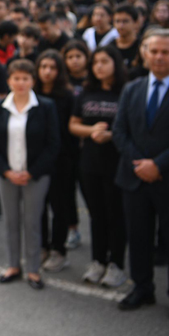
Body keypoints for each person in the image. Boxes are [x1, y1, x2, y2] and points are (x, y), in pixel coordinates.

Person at [0, 59, 60, 290]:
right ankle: (12, 265)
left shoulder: (45, 107)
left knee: (32, 221)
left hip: (34, 175)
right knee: (11, 220)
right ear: (9, 80)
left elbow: (53, 144)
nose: (20, 83)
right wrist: (6, 171)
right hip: (6, 174)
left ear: (32, 81)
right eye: (16, 78)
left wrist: (31, 172)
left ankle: (34, 269)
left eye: (25, 79)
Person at [112, 29, 169, 310]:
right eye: (154, 51)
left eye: (165, 52)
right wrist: (141, 164)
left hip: (165, 177)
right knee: (138, 237)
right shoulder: (131, 88)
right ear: (145, 54)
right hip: (134, 177)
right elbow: (119, 131)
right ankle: (142, 287)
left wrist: (158, 165)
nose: (159, 57)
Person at [69, 46, 129, 288]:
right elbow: (74, 125)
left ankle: (116, 264)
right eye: (95, 62)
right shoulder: (86, 92)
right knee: (96, 215)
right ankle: (97, 261)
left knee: (116, 214)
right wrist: (91, 131)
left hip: (116, 162)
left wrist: (112, 135)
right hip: (90, 163)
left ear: (115, 63)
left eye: (104, 61)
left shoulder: (126, 91)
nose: (99, 66)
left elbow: (131, 128)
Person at [34, 50, 77, 272]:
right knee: (38, 206)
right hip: (36, 160)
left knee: (59, 207)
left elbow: (69, 133)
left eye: (52, 68)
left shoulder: (67, 97)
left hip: (61, 160)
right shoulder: (32, 93)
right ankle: (41, 246)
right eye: (43, 67)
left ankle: (58, 250)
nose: (47, 72)